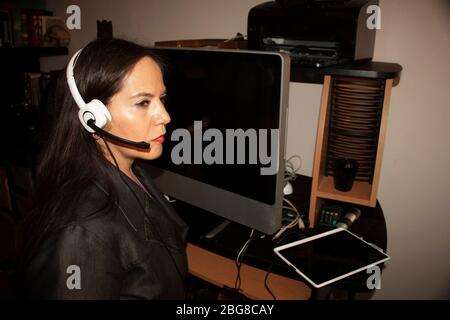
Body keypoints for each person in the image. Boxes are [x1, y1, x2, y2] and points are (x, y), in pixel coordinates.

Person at [22, 38, 188, 299]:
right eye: (144, 102)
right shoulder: (81, 234)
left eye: (161, 98)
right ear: (94, 118)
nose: (165, 116)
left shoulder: (132, 171)